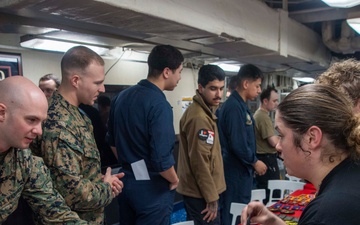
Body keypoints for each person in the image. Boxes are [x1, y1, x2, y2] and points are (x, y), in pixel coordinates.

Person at [241, 83, 360, 225]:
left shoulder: (326, 212)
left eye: (282, 135)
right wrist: (275, 222)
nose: (278, 146)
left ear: (312, 138)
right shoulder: (349, 177)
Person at [30, 46, 124, 224]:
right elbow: (70, 192)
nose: (103, 88)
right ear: (75, 80)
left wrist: (100, 180)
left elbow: (78, 171)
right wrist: (106, 188)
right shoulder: (59, 124)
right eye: (97, 83)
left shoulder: (77, 114)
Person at [107, 44, 184, 225]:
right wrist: (174, 180)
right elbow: (162, 160)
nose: (180, 77)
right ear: (167, 72)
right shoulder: (160, 105)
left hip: (126, 181)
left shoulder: (120, 97)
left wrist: (132, 164)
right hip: (153, 189)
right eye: (179, 72)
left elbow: (112, 141)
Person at [0, 76, 87, 224]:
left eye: (42, 122)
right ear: (2, 113)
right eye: (31, 120)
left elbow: (57, 215)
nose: (39, 131)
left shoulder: (24, 161)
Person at [217, 64, 267, 225]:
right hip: (234, 172)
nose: (259, 90)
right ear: (246, 84)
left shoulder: (240, 106)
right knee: (234, 213)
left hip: (241, 172)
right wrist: (254, 161)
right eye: (257, 86)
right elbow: (238, 144)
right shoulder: (233, 107)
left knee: (241, 212)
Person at [177, 65, 226, 225]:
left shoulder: (204, 112)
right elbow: (200, 161)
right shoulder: (200, 118)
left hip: (200, 191)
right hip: (201, 194)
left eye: (221, 88)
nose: (219, 94)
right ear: (201, 87)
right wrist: (212, 198)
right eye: (213, 89)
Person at [253, 86, 280, 203]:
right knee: (272, 194)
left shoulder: (261, 115)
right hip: (266, 160)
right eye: (274, 101)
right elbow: (273, 142)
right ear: (265, 101)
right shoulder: (262, 116)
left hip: (266, 159)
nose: (276, 104)